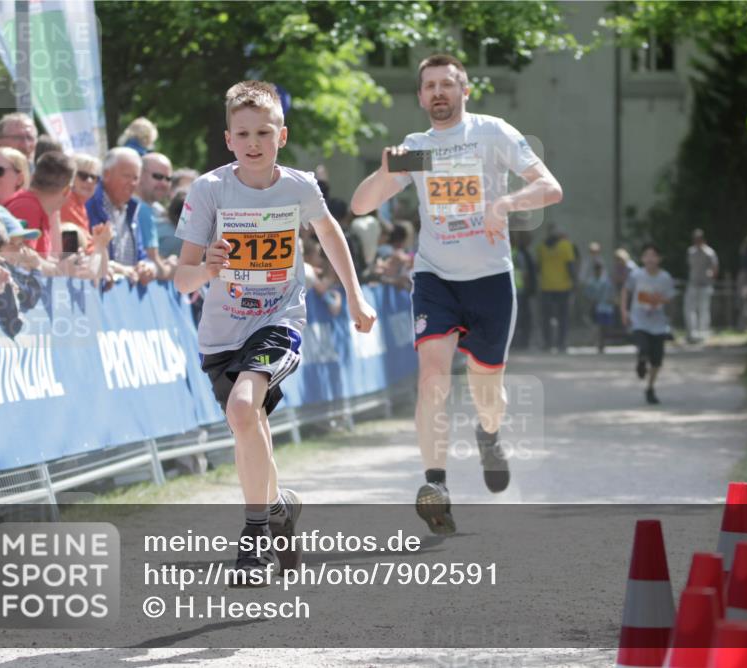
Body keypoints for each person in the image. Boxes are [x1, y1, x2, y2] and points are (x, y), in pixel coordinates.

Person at [350, 53, 562, 534]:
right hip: (435, 278)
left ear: (465, 91)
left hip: (489, 280)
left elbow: (550, 188)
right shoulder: (417, 148)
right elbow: (361, 204)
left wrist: (506, 202)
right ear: (421, 96)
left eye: (448, 84)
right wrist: (385, 172)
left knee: (488, 394)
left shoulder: (491, 134)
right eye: (430, 86)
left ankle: (488, 435)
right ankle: (436, 484)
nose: (439, 93)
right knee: (432, 378)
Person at [174, 80, 376, 582]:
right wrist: (210, 269)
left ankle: (253, 542)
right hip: (221, 335)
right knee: (249, 426)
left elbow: (330, 235)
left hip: (279, 320)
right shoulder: (209, 190)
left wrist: (355, 294)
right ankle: (280, 506)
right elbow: (183, 278)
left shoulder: (299, 187)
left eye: (264, 131)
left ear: (281, 136)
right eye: (243, 133)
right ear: (228, 139)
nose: (254, 142)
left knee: (245, 407)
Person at [86, 147, 156, 284]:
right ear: (106, 174)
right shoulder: (89, 205)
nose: (132, 183)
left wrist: (146, 266)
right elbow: (86, 255)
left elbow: (142, 256)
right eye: (126, 176)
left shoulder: (132, 210)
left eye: (135, 178)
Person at [621, 244, 675, 405]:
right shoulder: (636, 275)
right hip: (639, 321)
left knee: (657, 361)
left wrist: (658, 300)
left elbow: (670, 298)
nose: (650, 258)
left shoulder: (665, 277)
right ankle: (641, 361)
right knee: (643, 347)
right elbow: (625, 291)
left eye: (653, 255)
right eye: (646, 255)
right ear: (643, 258)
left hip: (658, 324)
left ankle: (650, 387)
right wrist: (624, 311)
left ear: (659, 259)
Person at [4, 151, 75, 258]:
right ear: (67, 190)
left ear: (33, 177)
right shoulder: (28, 208)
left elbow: (39, 261)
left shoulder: (34, 206)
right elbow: (25, 265)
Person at [136, 152, 177, 280]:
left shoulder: (147, 208)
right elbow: (154, 263)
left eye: (168, 179)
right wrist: (173, 270)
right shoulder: (142, 209)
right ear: (140, 174)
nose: (164, 183)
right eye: (158, 176)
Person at [537, 223, 576, 353]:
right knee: (563, 317)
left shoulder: (541, 247)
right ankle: (561, 343)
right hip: (563, 287)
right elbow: (570, 266)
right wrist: (575, 283)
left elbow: (538, 266)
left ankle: (548, 343)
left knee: (546, 317)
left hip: (546, 286)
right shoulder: (566, 245)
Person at [684, 228, 719, 344]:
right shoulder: (691, 251)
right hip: (693, 284)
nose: (697, 241)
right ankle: (692, 333)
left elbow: (715, 268)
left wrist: (711, 275)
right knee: (690, 309)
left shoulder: (710, 252)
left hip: (705, 285)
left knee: (703, 309)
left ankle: (703, 332)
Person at [60, 153, 103, 241]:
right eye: (83, 175)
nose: (89, 181)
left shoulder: (80, 205)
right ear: (70, 177)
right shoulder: (66, 201)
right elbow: (83, 244)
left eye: (94, 177)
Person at [510, 230, 537, 350]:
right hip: (519, 290)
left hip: (513, 290)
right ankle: (520, 342)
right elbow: (525, 274)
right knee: (520, 317)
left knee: (516, 317)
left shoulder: (507, 253)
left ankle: (517, 342)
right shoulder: (518, 254)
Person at [584, 260, 616, 353]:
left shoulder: (607, 281)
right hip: (597, 307)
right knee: (599, 326)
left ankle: (603, 342)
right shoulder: (591, 281)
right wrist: (591, 301)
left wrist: (613, 300)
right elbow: (587, 294)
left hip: (607, 307)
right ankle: (600, 344)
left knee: (606, 327)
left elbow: (612, 292)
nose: (598, 271)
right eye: (596, 269)